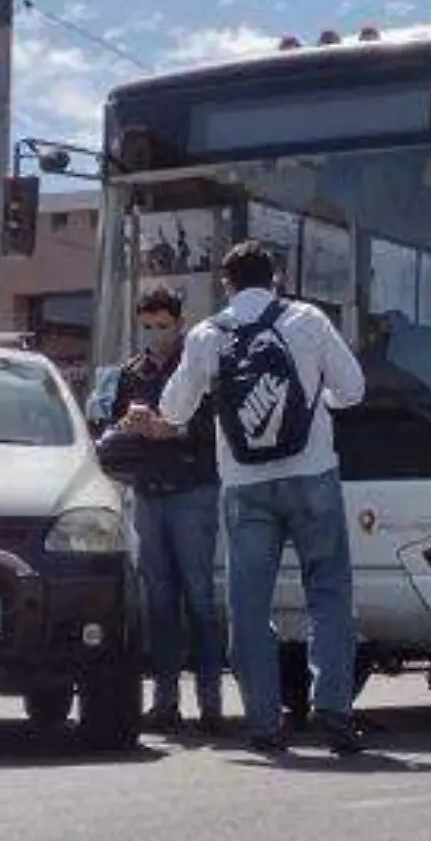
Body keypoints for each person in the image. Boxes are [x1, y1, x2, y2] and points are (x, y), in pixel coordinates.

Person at [130, 240, 368, 756]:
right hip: (313, 475)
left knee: (247, 603)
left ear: (225, 284)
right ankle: (332, 707)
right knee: (327, 592)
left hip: (243, 485)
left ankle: (263, 722)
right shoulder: (307, 319)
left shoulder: (208, 334)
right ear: (276, 277)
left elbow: (173, 409)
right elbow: (354, 389)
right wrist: (318, 401)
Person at [106, 286, 226, 735]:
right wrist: (128, 425)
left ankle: (211, 702)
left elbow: (213, 429)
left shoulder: (197, 367)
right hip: (149, 493)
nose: (155, 335)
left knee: (198, 597)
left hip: (192, 490)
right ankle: (165, 700)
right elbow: (113, 429)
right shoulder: (131, 373)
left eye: (163, 326)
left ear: (180, 323)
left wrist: (169, 431)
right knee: (158, 601)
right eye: (148, 327)